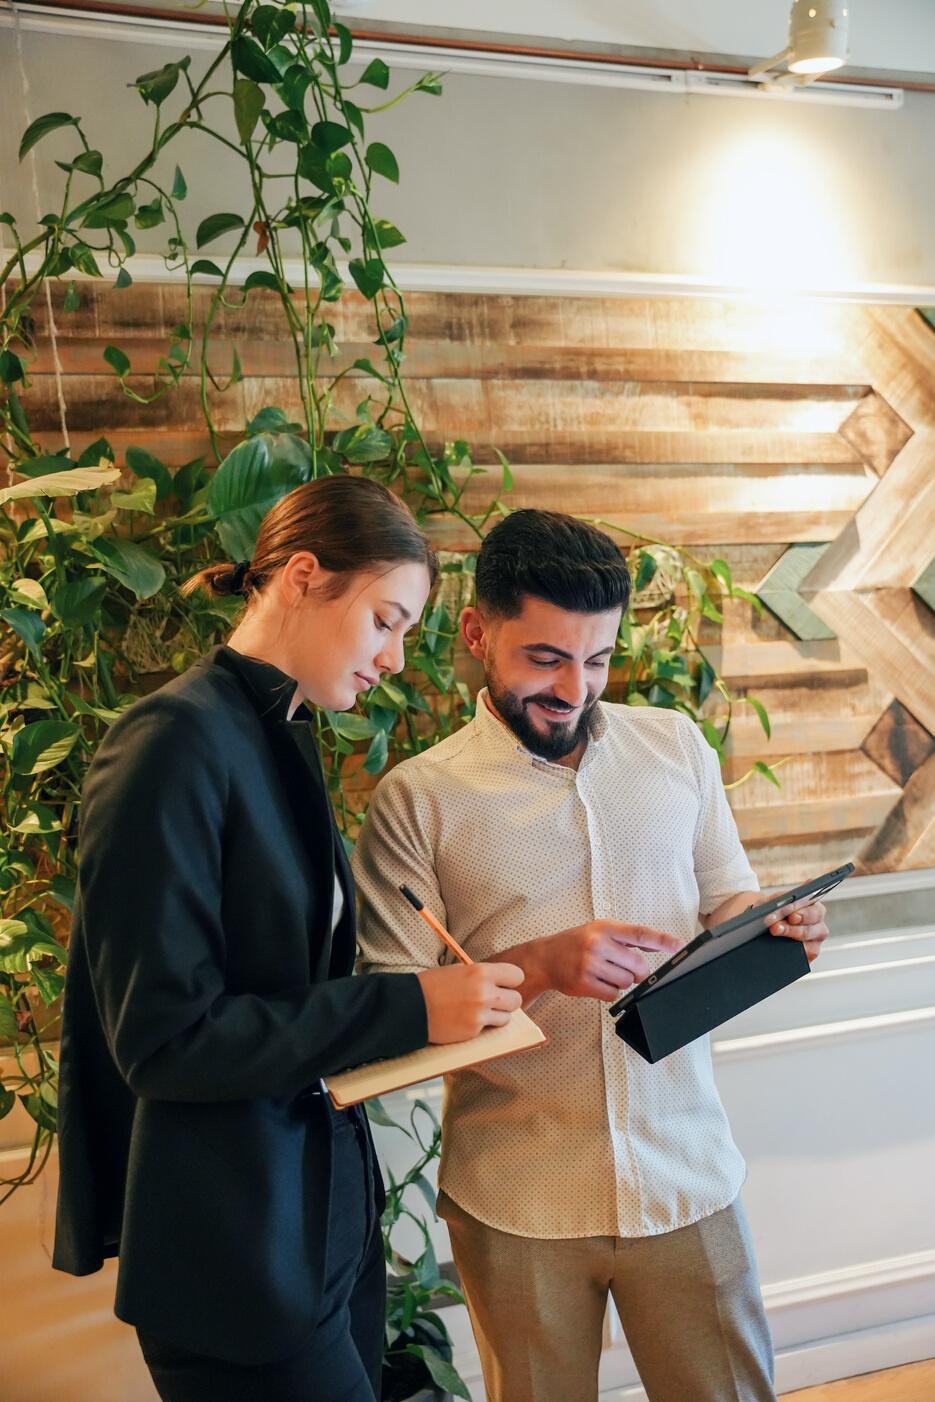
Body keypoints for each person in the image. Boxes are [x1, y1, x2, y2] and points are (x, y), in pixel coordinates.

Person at [52, 475, 524, 1402]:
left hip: (316, 1228)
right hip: (235, 1258)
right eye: (385, 620)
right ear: (303, 576)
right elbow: (166, 1040)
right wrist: (409, 1006)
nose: (394, 659)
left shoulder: (276, 730)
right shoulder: (170, 742)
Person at [353, 508, 830, 1402]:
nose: (574, 689)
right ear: (476, 633)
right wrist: (539, 968)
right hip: (516, 1199)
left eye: (597, 659)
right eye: (545, 659)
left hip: (686, 1172)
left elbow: (725, 898)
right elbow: (390, 1017)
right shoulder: (417, 800)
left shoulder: (675, 746)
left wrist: (773, 923)